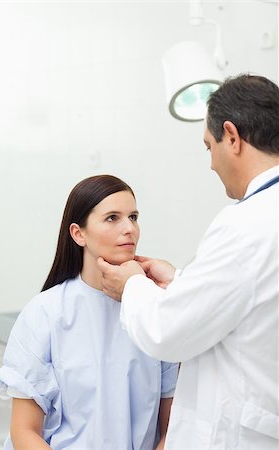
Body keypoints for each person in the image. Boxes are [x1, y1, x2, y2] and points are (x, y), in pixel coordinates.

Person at [97, 74, 279, 449]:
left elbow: (167, 331)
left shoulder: (246, 224)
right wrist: (180, 281)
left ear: (232, 136)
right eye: (111, 218)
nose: (211, 163)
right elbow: (251, 301)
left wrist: (133, 284)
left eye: (209, 146)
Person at [0, 175, 179, 450]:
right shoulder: (45, 313)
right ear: (78, 234)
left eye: (134, 216)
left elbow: (172, 429)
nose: (129, 228)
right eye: (112, 217)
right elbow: (24, 432)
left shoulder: (155, 310)